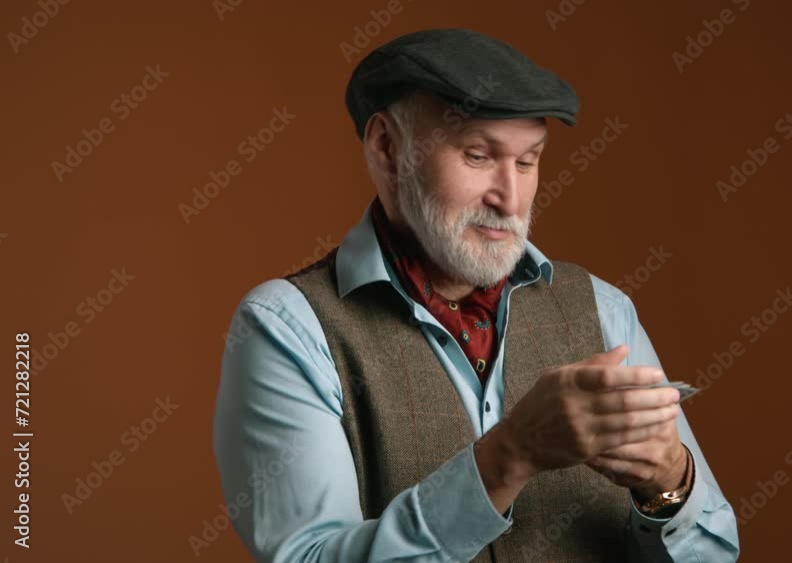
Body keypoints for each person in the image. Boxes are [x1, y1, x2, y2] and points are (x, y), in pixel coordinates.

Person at [213, 28, 739, 562]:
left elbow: (716, 553)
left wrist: (670, 483)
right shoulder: (288, 328)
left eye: (529, 161)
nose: (509, 198)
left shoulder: (604, 310)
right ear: (387, 148)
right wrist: (509, 456)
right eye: (478, 156)